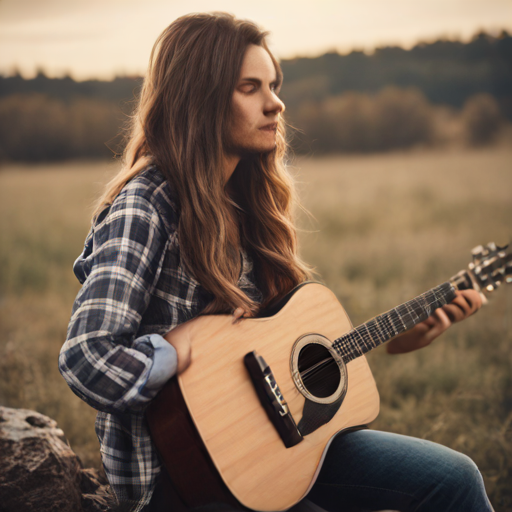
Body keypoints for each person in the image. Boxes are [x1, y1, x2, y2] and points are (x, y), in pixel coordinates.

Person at [59, 12, 493, 512]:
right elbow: (85, 357)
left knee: (455, 478)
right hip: (183, 478)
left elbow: (277, 352)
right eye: (250, 87)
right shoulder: (146, 204)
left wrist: (402, 338)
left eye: (274, 85)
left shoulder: (247, 202)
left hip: (277, 448)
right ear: (197, 98)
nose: (276, 103)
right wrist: (172, 354)